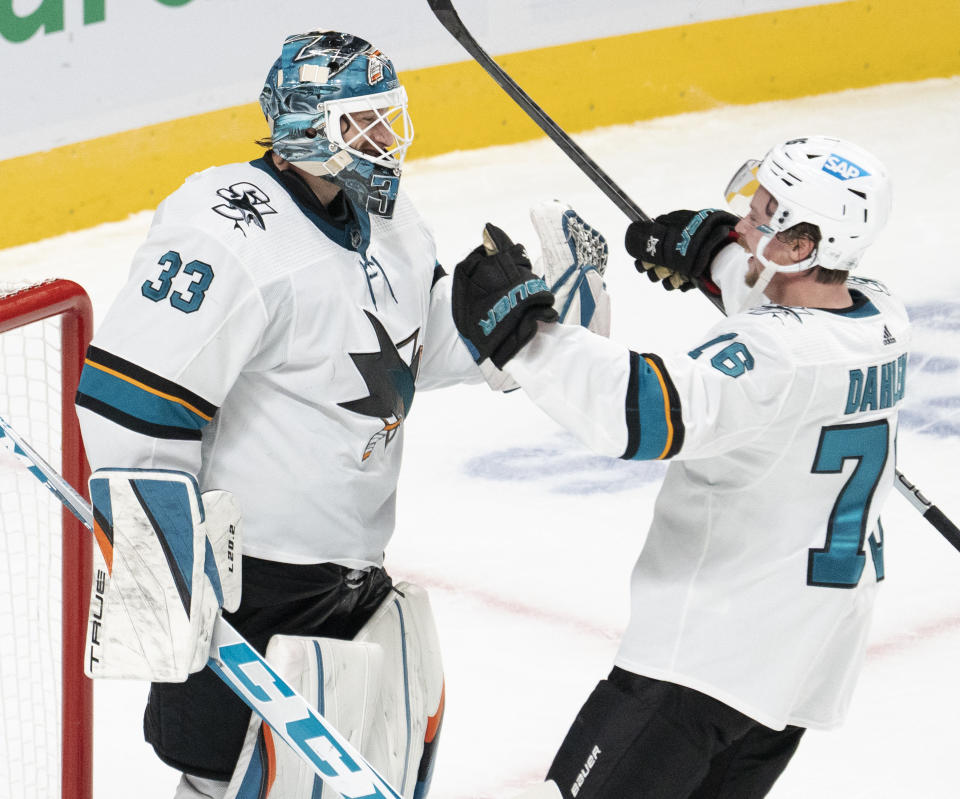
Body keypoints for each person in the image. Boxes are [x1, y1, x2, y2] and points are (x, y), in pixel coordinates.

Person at [73, 29, 608, 799]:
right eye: (361, 123)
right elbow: (133, 401)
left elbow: (413, 357)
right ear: (300, 125)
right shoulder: (226, 228)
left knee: (342, 772)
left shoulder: (389, 219)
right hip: (250, 580)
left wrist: (512, 326)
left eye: (387, 118)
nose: (384, 140)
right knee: (226, 773)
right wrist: (165, 578)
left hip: (352, 569)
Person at [451, 135, 909, 798]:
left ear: (803, 245)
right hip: (799, 665)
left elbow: (637, 409)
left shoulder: (776, 363)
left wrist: (524, 336)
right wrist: (719, 257)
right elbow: (787, 317)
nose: (747, 219)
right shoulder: (881, 318)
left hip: (703, 664)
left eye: (765, 213)